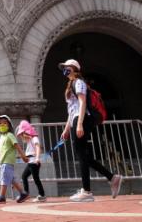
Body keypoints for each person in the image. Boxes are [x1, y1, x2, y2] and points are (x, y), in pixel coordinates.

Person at [60, 59, 121, 202]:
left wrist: (79, 123)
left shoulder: (79, 82)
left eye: (67, 67)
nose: (64, 70)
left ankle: (87, 192)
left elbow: (82, 103)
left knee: (82, 155)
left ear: (74, 69)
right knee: (83, 155)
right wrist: (67, 128)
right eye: (63, 68)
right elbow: (71, 110)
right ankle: (112, 177)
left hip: (82, 119)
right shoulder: (71, 85)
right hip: (76, 119)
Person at [0, 114, 29, 204]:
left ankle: (2, 196)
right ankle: (23, 193)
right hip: (3, 161)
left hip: (7, 161)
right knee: (11, 179)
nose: (2, 125)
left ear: (9, 125)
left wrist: (23, 156)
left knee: (4, 178)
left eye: (4, 123)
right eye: (0, 123)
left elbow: (17, 146)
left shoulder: (10, 135)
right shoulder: (2, 137)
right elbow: (3, 149)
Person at [17, 120, 46, 202]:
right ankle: (27, 194)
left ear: (26, 132)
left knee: (36, 179)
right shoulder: (29, 141)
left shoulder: (34, 138)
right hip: (31, 162)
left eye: (22, 134)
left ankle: (41, 195)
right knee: (24, 176)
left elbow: (37, 147)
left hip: (34, 162)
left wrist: (37, 158)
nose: (21, 136)